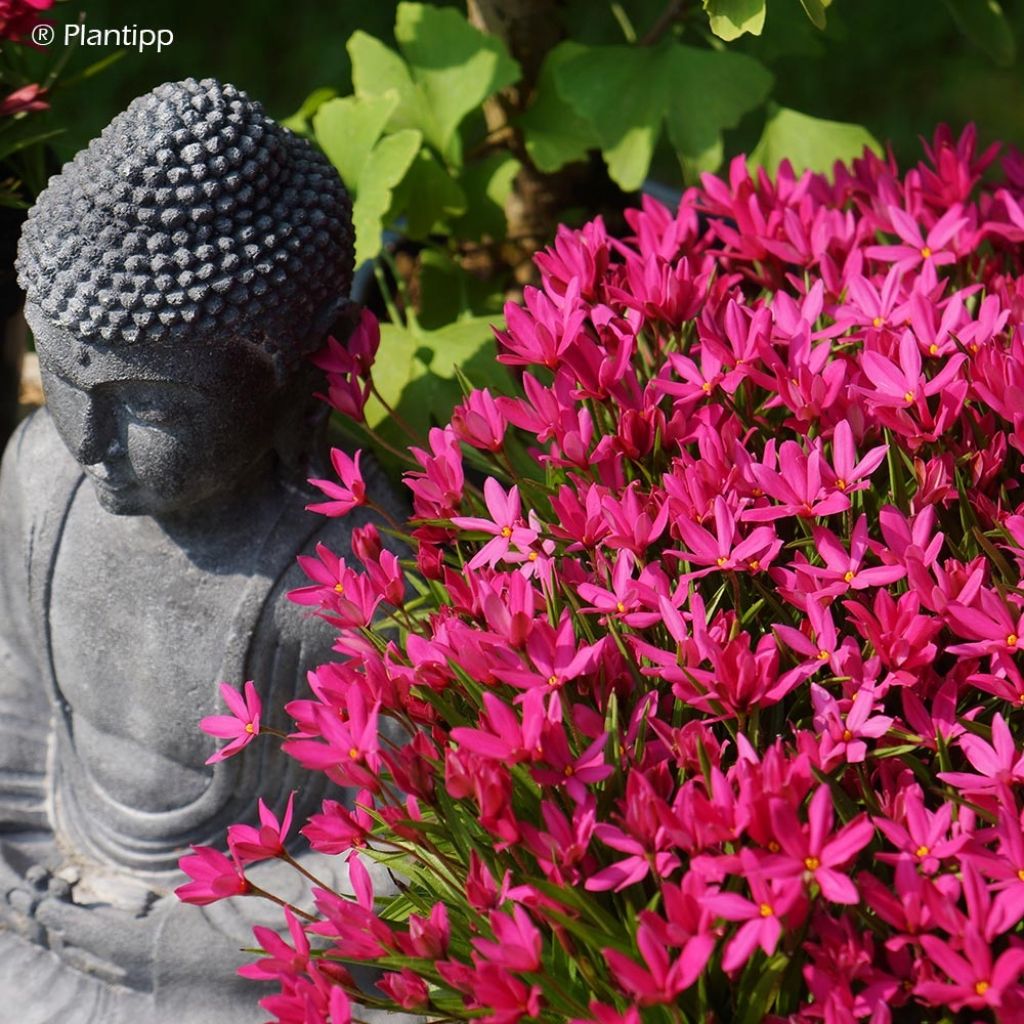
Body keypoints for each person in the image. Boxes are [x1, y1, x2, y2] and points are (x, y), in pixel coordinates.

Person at [0, 77, 394, 1023]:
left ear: (323, 361)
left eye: (152, 407)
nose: (89, 442)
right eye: (59, 375)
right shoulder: (40, 476)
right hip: (43, 904)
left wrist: (179, 946)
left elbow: (412, 844)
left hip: (228, 969)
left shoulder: (355, 567)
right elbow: (16, 711)